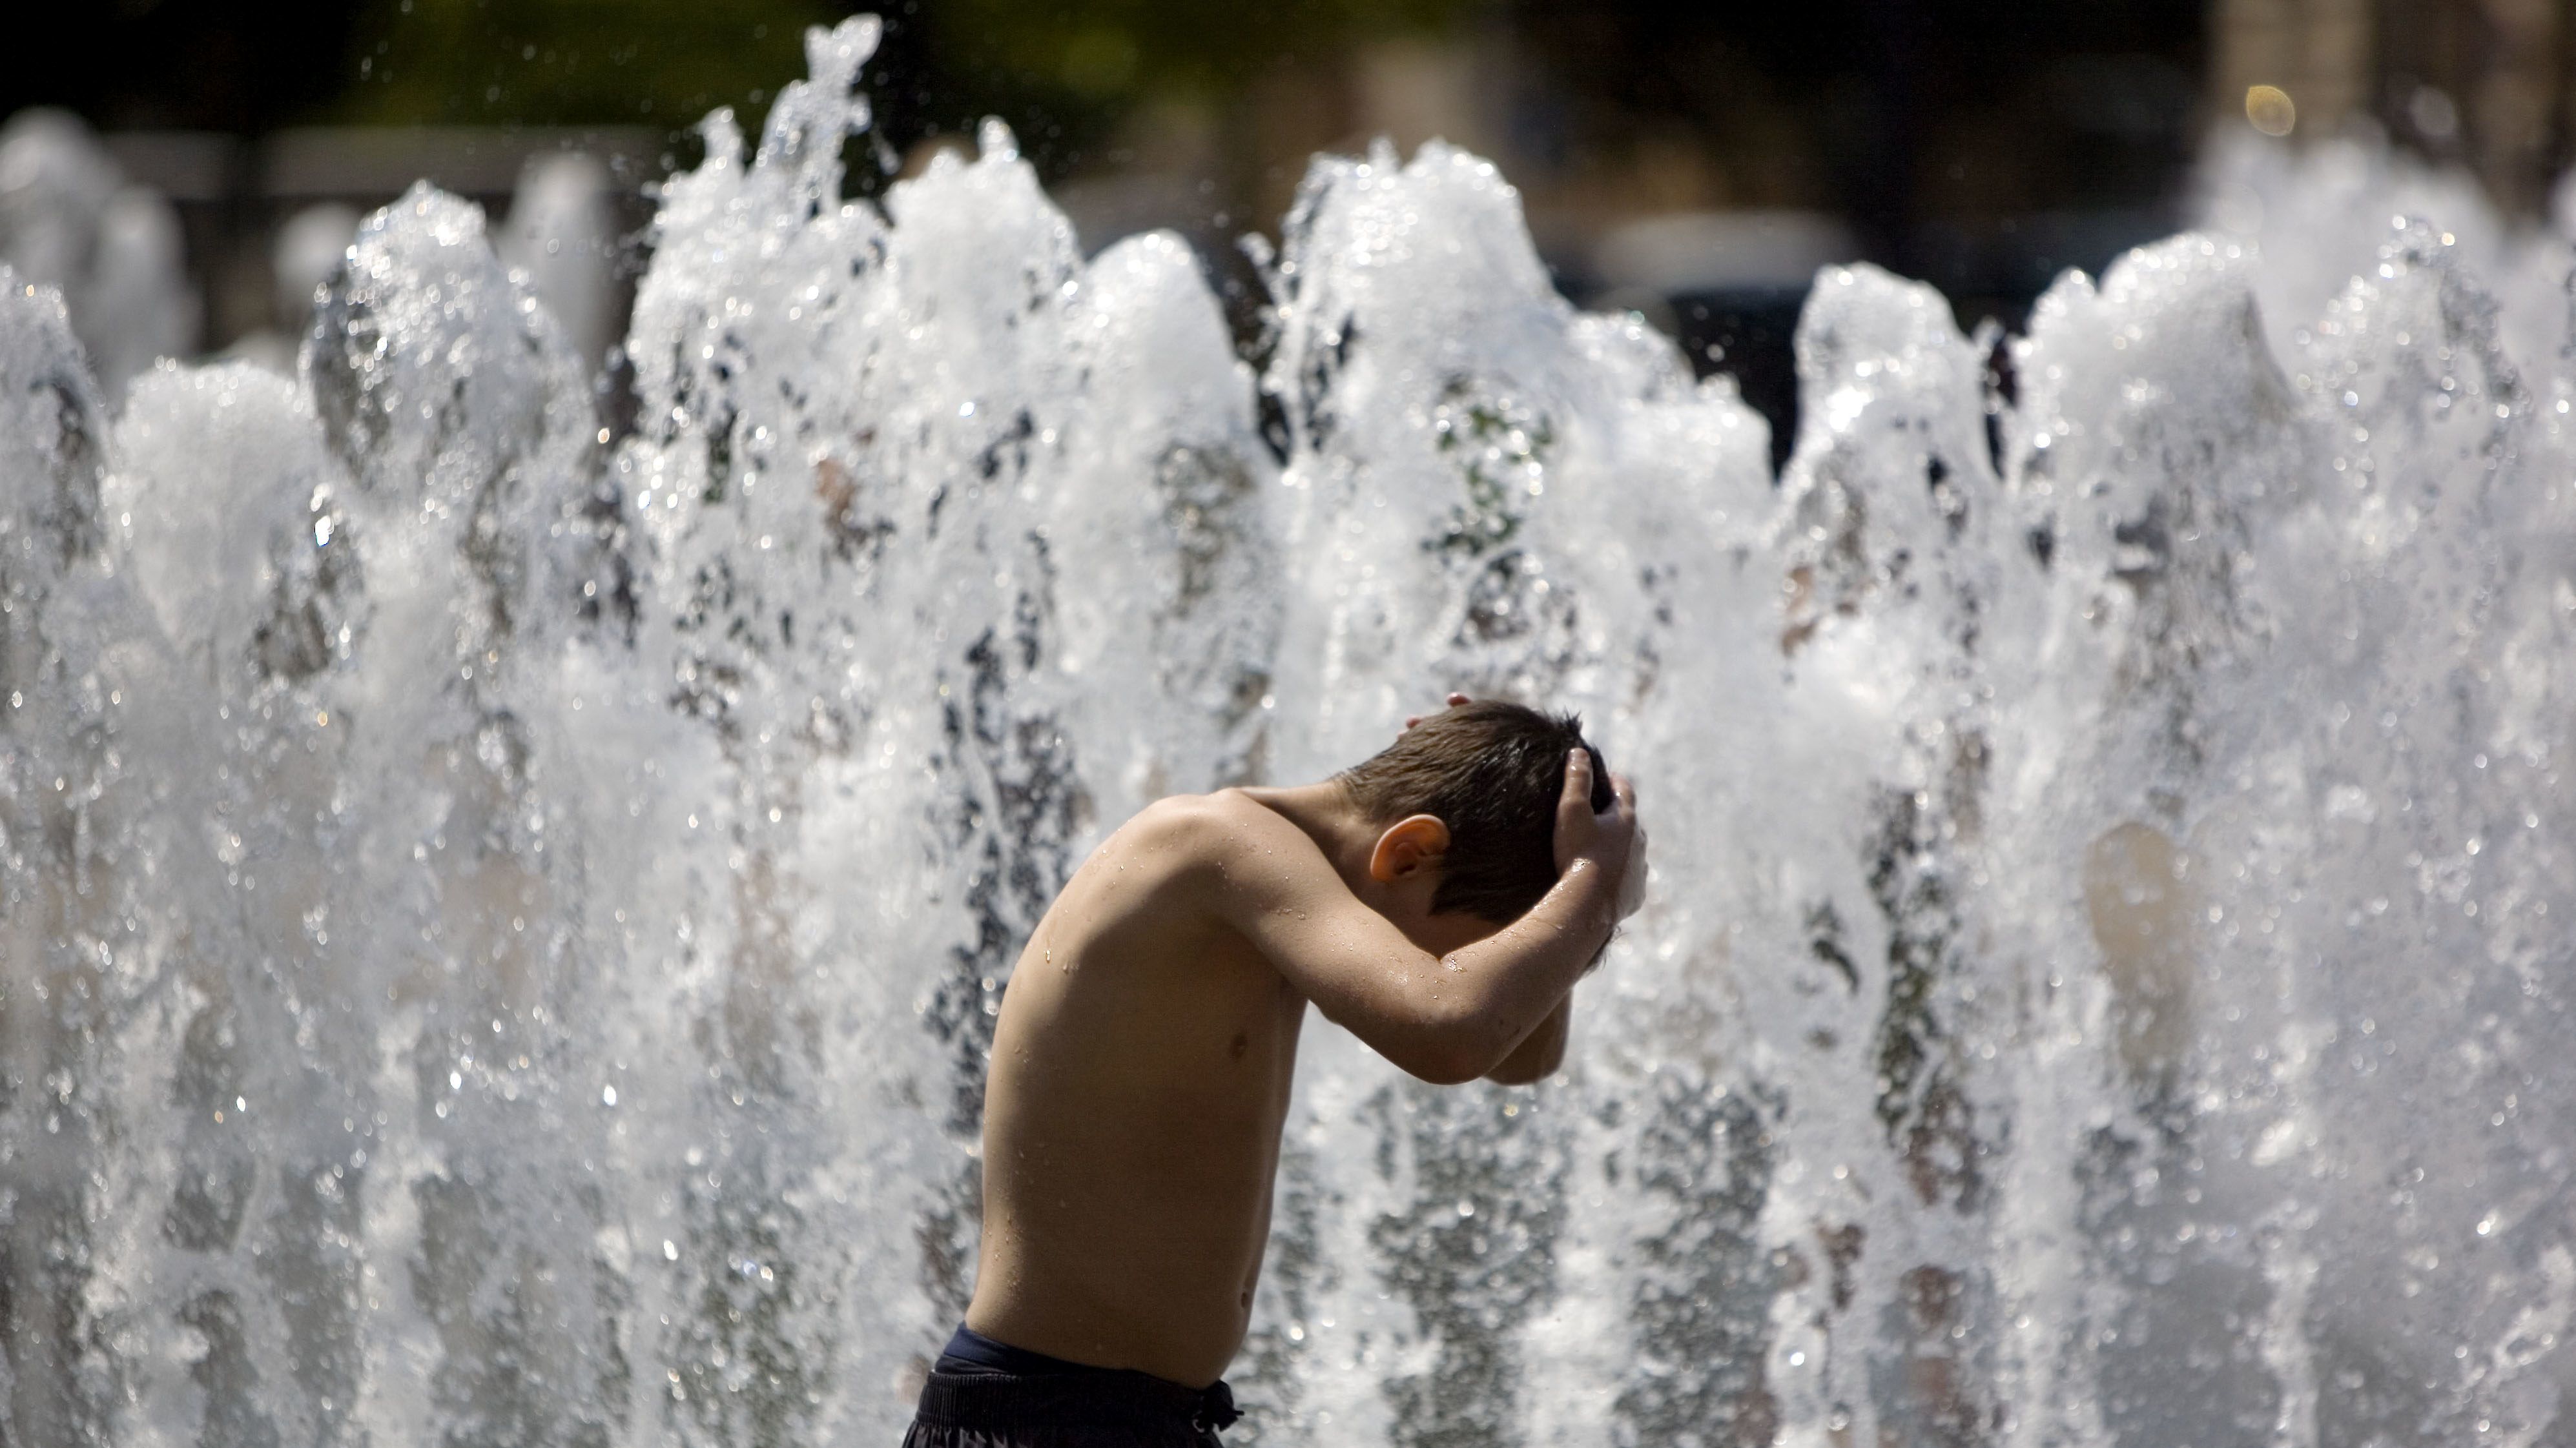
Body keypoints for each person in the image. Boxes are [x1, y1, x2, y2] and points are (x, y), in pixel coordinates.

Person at [903, 696, 1645, 1447]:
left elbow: (1520, 1050)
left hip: (1135, 1417)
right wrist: (1589, 884)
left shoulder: (1296, 882)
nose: (1450, 972)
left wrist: (1578, 896)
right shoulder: (1211, 845)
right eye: (1456, 953)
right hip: (1036, 1413)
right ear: (1409, 853)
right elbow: (1451, 1032)